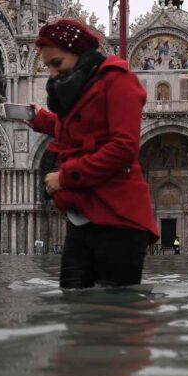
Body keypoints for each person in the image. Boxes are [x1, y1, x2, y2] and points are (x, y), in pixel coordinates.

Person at [30, 19, 158, 289]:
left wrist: (64, 178)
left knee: (116, 312)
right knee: (73, 304)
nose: (52, 74)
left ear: (78, 52)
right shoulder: (80, 87)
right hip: (83, 213)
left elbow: (123, 147)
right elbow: (83, 128)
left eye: (57, 63)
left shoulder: (118, 80)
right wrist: (40, 119)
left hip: (118, 217)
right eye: (48, 66)